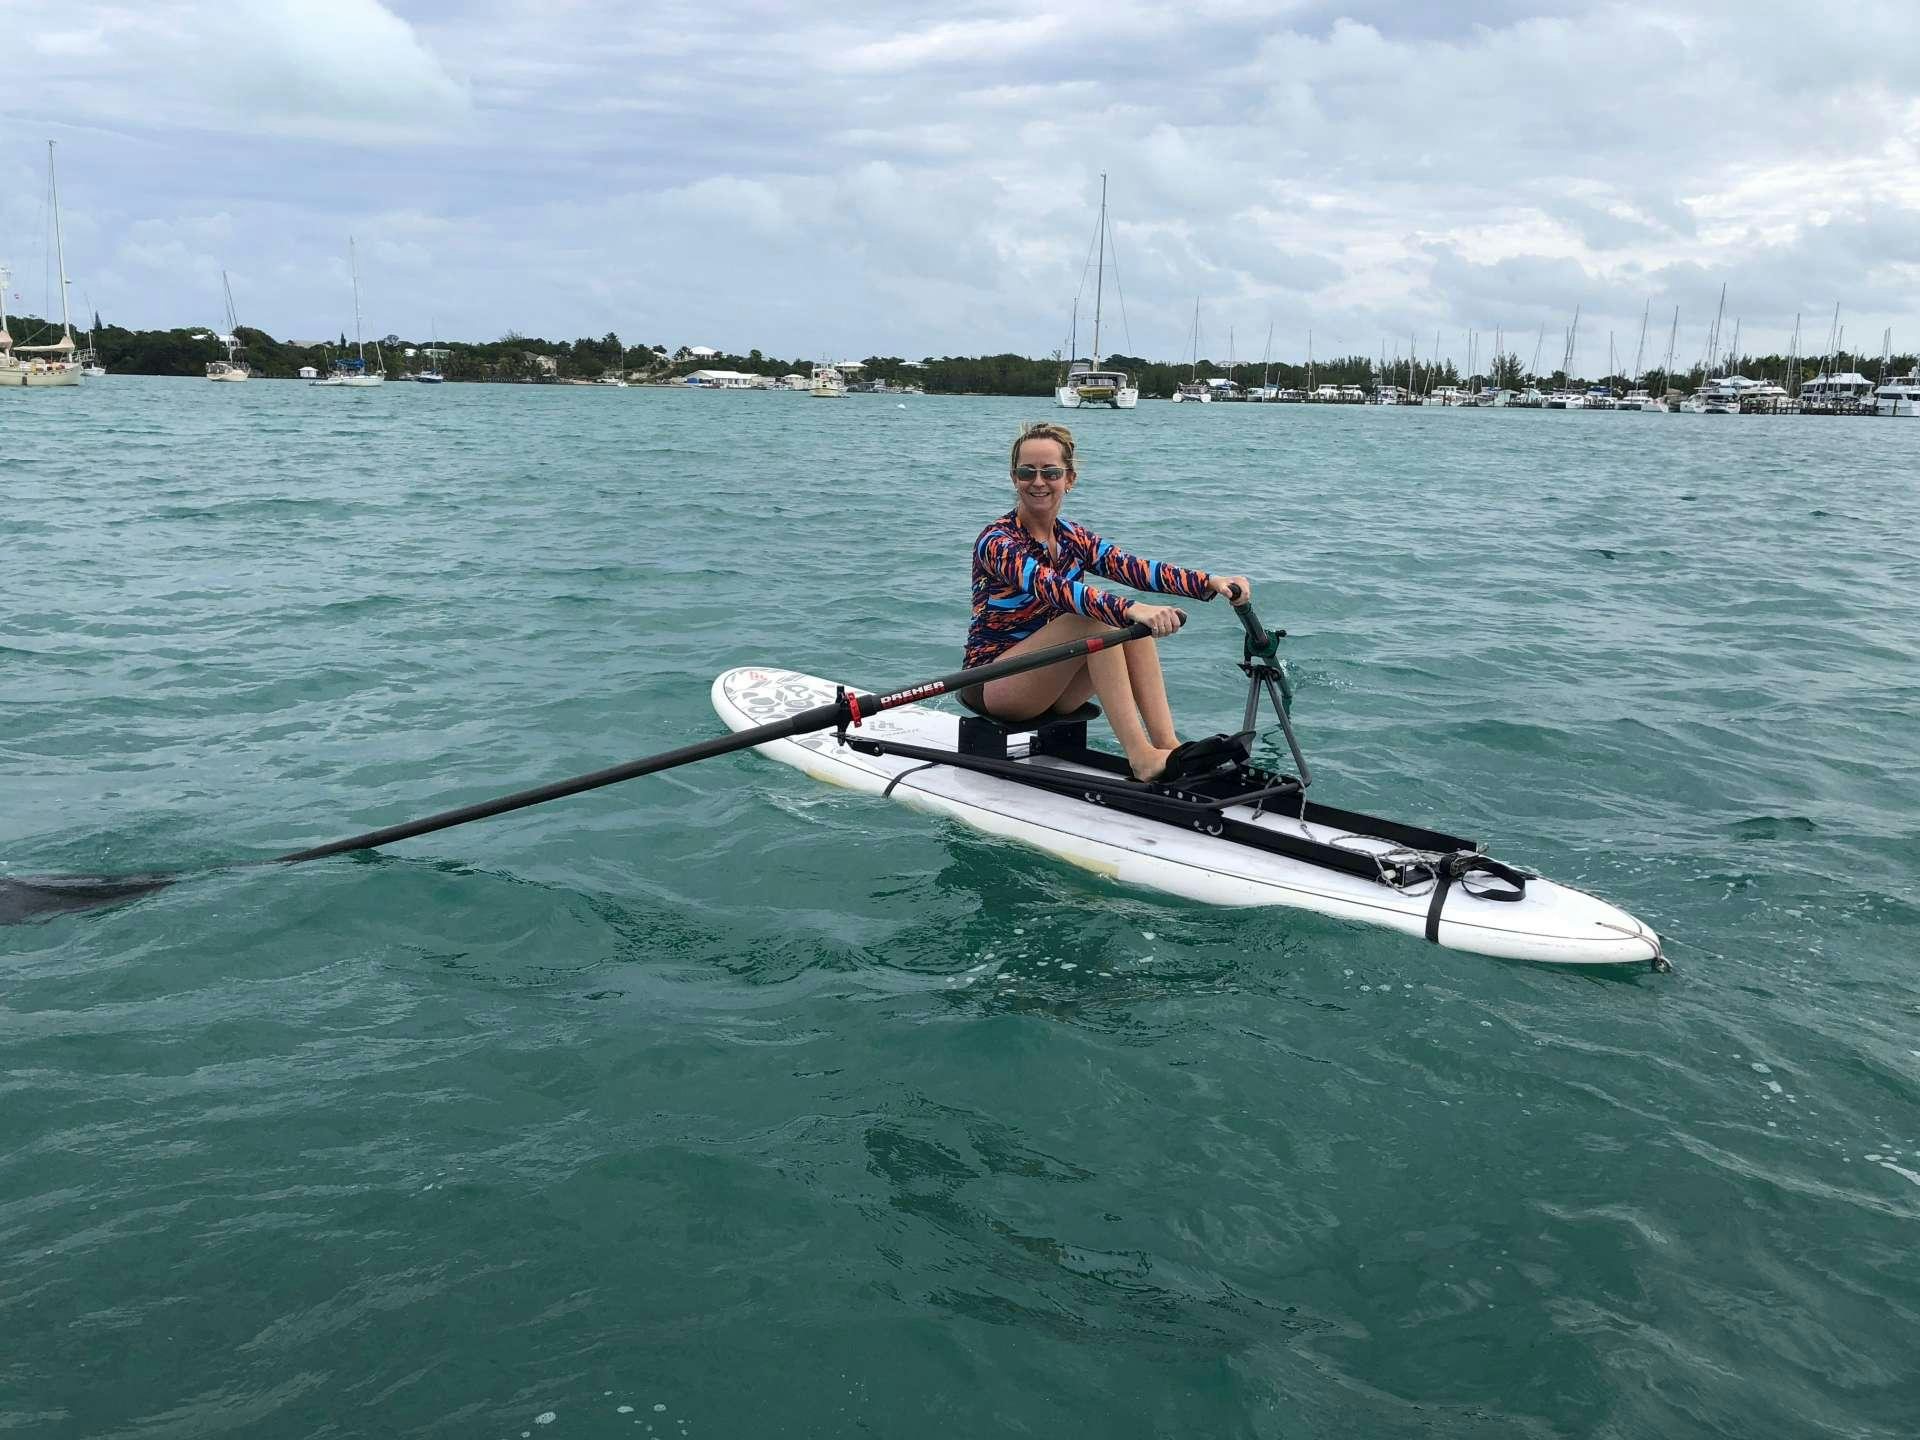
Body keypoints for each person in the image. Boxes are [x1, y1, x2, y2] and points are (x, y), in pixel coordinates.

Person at [962, 420, 1252, 782]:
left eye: (1050, 472)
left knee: (1127, 625)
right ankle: (1141, 757)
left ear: (1069, 479)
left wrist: (1210, 582)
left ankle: (1168, 746)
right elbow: (1055, 588)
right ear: (1014, 478)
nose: (1038, 482)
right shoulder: (997, 542)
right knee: (1098, 619)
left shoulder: (1073, 537)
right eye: (1027, 472)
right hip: (994, 683)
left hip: (1051, 683)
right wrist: (1130, 609)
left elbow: (1134, 568)